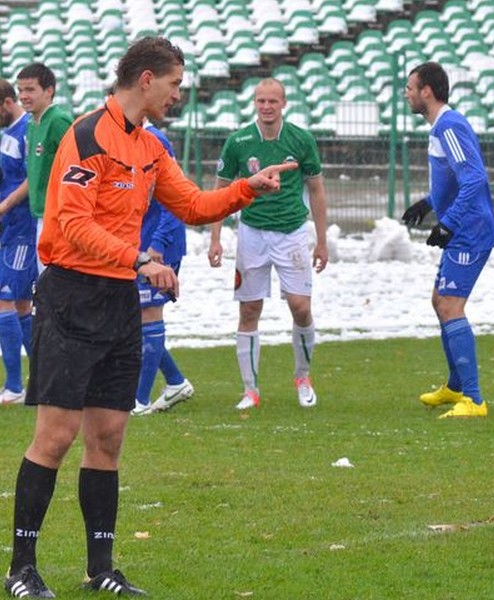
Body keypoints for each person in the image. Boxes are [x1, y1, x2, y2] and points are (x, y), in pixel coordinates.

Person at [4, 36, 295, 598]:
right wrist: (138, 257)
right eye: (175, 83)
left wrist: (245, 191)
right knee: (56, 437)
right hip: (70, 296)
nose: (178, 94)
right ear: (145, 79)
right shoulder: (86, 135)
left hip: (117, 303)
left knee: (108, 439)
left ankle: (100, 569)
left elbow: (191, 205)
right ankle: (21, 568)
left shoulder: (152, 145)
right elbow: (72, 225)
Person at [208, 78, 328, 411]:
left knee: (301, 307)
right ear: (254, 104)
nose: (266, 106)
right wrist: (216, 237)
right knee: (249, 310)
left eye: (272, 101)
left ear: (284, 103)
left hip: (291, 233)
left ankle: (303, 377)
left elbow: (317, 189)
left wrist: (322, 241)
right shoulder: (238, 141)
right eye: (260, 101)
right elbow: (219, 191)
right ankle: (250, 390)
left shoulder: (301, 139)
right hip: (252, 234)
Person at [401, 61, 494, 419]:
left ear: (427, 91)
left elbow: (474, 179)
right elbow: (456, 178)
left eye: (410, 88)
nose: (407, 94)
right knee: (440, 301)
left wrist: (449, 223)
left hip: (470, 231)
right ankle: (456, 387)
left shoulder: (450, 126)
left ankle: (473, 399)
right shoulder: (441, 127)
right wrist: (429, 204)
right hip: (463, 227)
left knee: (450, 306)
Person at [131, 123, 193, 416]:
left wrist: (158, 243)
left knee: (149, 313)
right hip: (141, 243)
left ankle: (139, 401)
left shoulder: (155, 139)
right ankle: (176, 382)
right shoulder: (126, 137)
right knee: (137, 318)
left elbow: (175, 196)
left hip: (159, 244)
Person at [15, 63, 73, 275]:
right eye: (20, 90)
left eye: (30, 89)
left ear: (49, 90)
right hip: (39, 213)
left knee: (53, 279)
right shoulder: (32, 123)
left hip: (57, 218)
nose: (23, 96)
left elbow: (76, 166)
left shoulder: (58, 120)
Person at [0, 79, 37, 405]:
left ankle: (14, 386)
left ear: (6, 103)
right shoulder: (7, 135)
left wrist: (5, 205)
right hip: (8, 229)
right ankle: (40, 380)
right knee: (21, 305)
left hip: (23, 229)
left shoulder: (27, 131)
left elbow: (32, 178)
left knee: (6, 302)